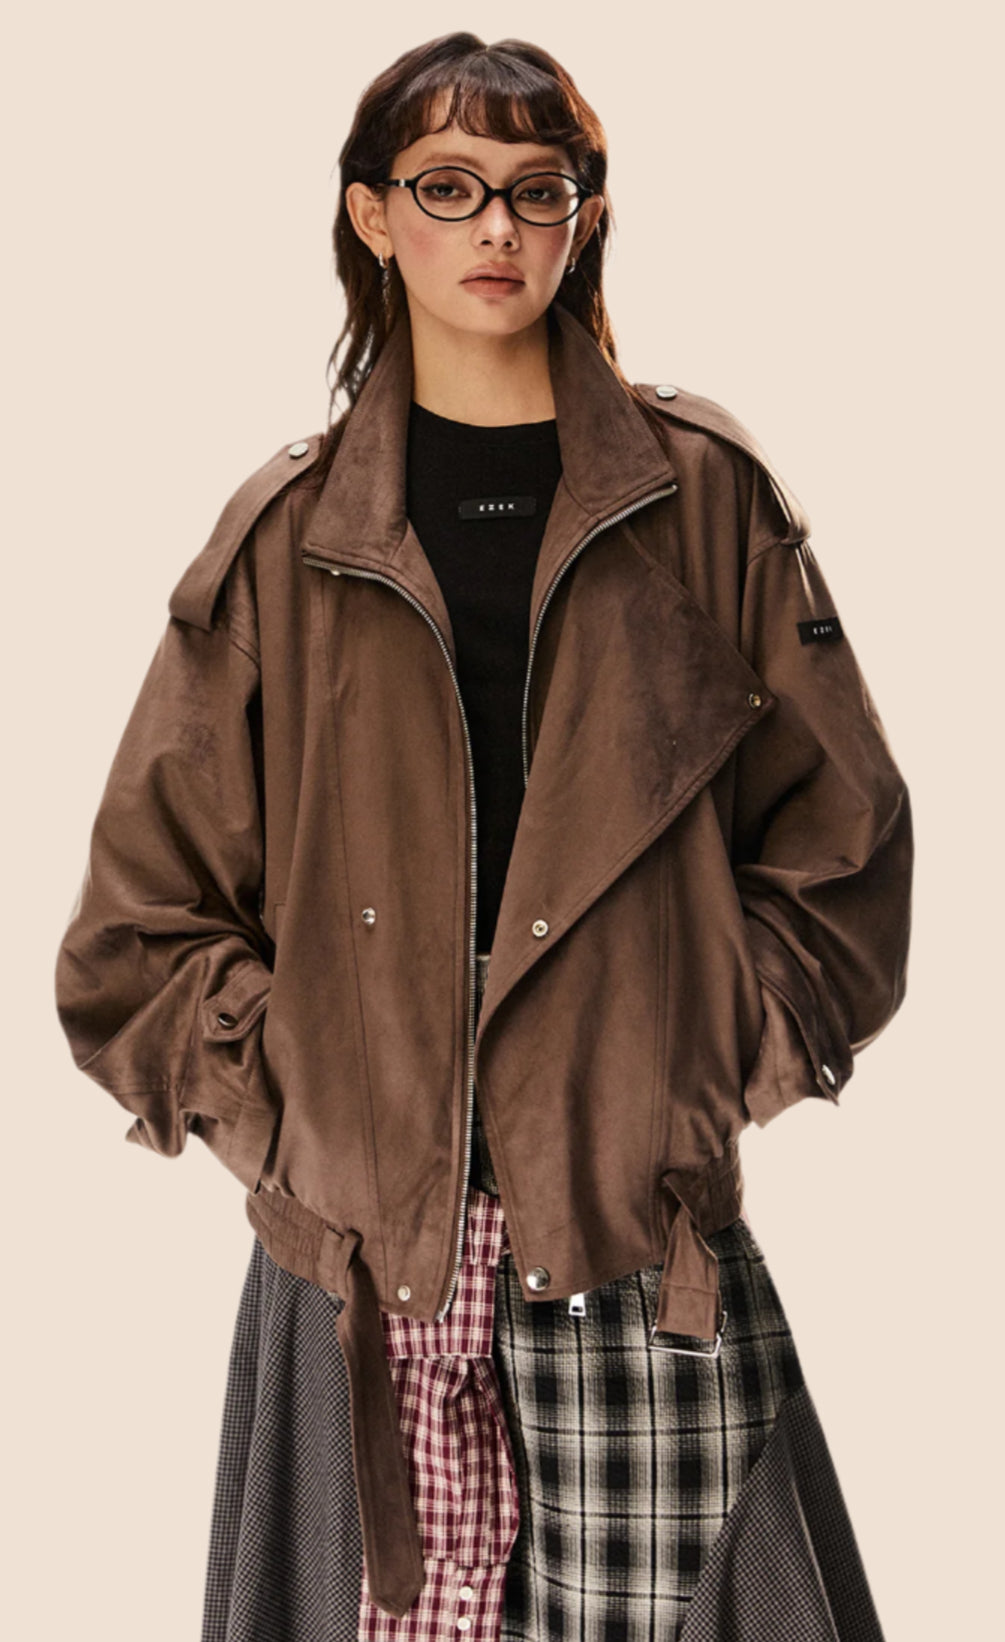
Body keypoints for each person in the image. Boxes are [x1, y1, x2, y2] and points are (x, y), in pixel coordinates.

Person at [53, 30, 912, 1642]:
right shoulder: (285, 540)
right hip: (361, 1266)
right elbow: (136, 936)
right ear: (373, 216)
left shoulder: (708, 502)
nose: (496, 228)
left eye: (536, 189)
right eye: (447, 187)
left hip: (638, 1238)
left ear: (586, 215)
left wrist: (689, 1064)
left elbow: (845, 855)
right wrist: (303, 1109)